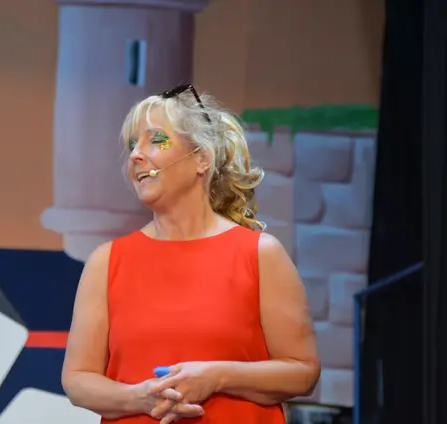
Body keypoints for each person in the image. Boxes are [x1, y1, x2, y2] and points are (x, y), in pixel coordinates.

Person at [62, 84, 320, 424]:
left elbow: (302, 371)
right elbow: (78, 380)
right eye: (132, 145)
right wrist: (141, 397)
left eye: (156, 140)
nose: (136, 155)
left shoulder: (260, 254)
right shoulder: (107, 261)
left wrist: (217, 376)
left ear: (201, 159)